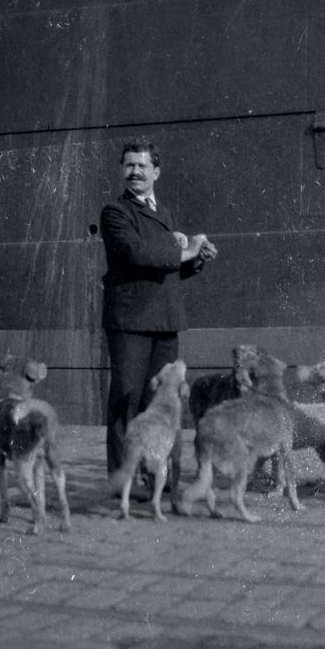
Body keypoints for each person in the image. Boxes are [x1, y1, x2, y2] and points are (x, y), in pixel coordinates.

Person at [100, 140, 217, 476]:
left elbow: (168, 268)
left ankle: (159, 477)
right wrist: (188, 250)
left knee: (161, 402)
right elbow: (138, 255)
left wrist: (197, 260)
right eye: (129, 165)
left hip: (164, 320)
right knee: (127, 397)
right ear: (122, 169)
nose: (134, 171)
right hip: (130, 322)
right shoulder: (115, 213)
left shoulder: (163, 214)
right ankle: (122, 476)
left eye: (141, 165)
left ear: (156, 172)